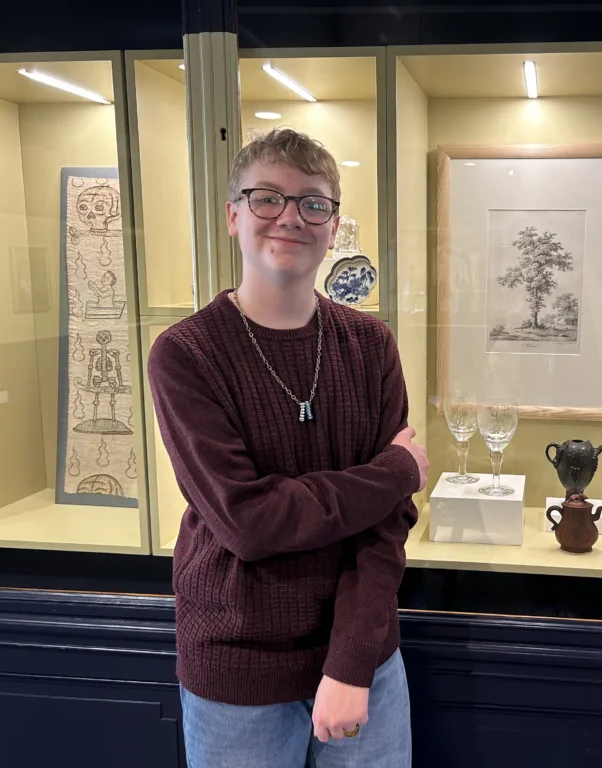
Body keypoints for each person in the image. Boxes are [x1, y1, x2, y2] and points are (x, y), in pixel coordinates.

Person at [147, 127, 429, 768]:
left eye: (313, 202)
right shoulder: (185, 355)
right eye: (266, 197)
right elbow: (249, 521)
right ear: (233, 215)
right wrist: (394, 472)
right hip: (237, 672)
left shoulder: (370, 344)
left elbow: (385, 527)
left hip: (367, 663)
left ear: (333, 227)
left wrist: (353, 665)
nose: (290, 217)